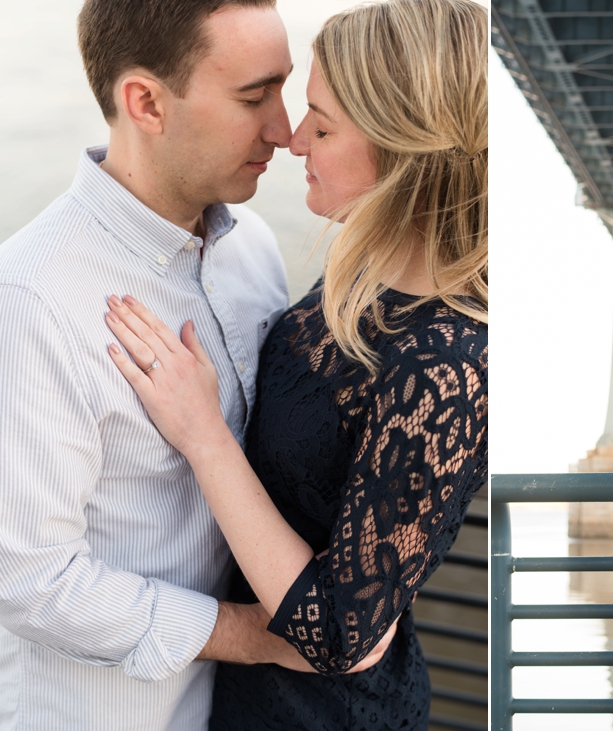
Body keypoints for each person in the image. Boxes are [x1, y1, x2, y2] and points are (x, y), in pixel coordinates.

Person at [0, 1, 389, 729]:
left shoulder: (256, 248)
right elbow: (30, 579)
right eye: (253, 97)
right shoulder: (30, 298)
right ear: (144, 102)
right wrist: (253, 634)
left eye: (285, 88)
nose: (285, 130)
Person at [103, 0, 488, 728]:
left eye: (322, 121)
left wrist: (203, 433)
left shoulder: (446, 366)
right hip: (240, 697)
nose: (292, 138)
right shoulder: (358, 273)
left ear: (401, 148)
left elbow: (346, 636)